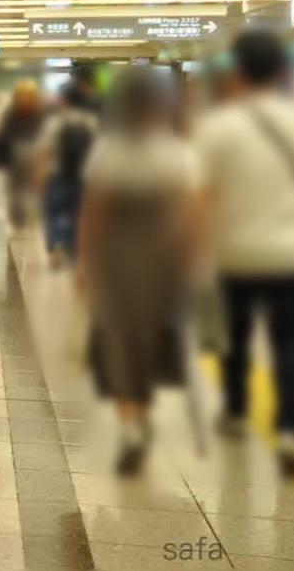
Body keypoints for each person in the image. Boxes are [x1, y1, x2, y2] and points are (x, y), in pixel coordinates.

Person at [76, 68, 203, 476]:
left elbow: (93, 213)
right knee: (153, 337)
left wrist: (85, 263)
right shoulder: (179, 152)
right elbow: (191, 214)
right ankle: (142, 409)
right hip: (164, 259)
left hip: (115, 258)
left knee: (117, 335)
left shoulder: (108, 151)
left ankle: (131, 422)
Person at [193, 27, 294, 478]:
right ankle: (292, 430)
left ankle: (236, 412)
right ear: (281, 71)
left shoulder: (218, 127)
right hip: (293, 256)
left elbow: (201, 198)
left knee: (234, 336)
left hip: (233, 254)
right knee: (292, 343)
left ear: (237, 71)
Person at [36, 81, 99, 267]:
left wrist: (38, 177)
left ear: (64, 101)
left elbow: (45, 152)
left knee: (53, 213)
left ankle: (56, 247)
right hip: (82, 176)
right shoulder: (90, 122)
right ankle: (73, 249)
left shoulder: (55, 123)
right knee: (77, 213)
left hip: (58, 175)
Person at [0, 80, 45, 227]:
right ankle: (22, 217)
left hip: (27, 154)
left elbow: (3, 133)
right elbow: (4, 134)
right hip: (22, 154)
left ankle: (22, 218)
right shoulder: (19, 112)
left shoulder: (31, 113)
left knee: (22, 189)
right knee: (19, 189)